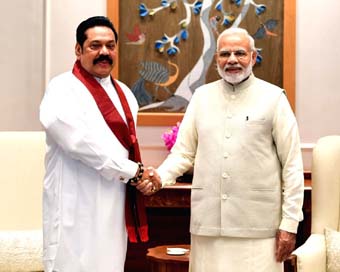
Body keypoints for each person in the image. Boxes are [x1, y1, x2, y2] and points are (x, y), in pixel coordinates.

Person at [155, 27, 304, 272]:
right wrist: (159, 177)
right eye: (225, 54)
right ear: (216, 60)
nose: (232, 60)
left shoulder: (274, 98)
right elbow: (183, 153)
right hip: (208, 226)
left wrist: (289, 224)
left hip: (258, 227)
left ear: (253, 57)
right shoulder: (201, 97)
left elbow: (292, 166)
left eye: (240, 53)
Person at [39, 16, 161, 272]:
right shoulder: (62, 88)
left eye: (110, 45)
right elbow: (78, 144)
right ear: (78, 49)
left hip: (113, 205)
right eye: (95, 45)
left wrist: (140, 174)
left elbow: (125, 148)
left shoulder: (126, 93)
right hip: (74, 205)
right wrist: (135, 172)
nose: (104, 52)